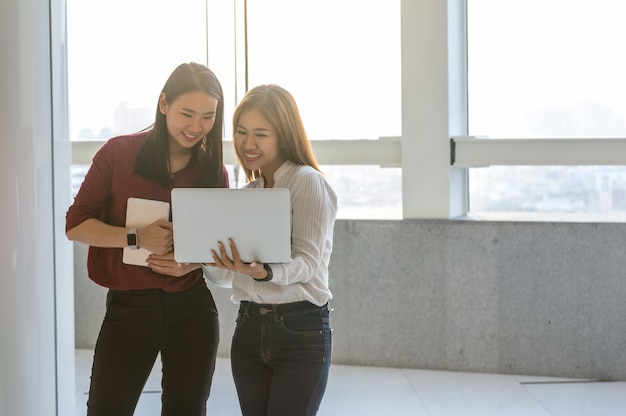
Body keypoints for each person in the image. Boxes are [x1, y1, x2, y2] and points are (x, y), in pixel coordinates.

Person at [65, 62, 228, 416]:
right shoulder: (118, 153)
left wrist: (191, 260)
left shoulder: (213, 170)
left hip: (192, 310)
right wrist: (136, 236)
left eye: (208, 117)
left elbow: (215, 247)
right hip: (128, 309)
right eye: (187, 113)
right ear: (164, 103)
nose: (196, 127)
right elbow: (76, 225)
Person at [202, 84, 338, 416]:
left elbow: (307, 261)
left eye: (260, 134)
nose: (248, 144)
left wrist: (265, 272)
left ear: (283, 135)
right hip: (248, 328)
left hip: (300, 330)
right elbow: (225, 277)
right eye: (241, 132)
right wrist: (207, 255)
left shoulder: (307, 181)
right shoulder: (249, 192)